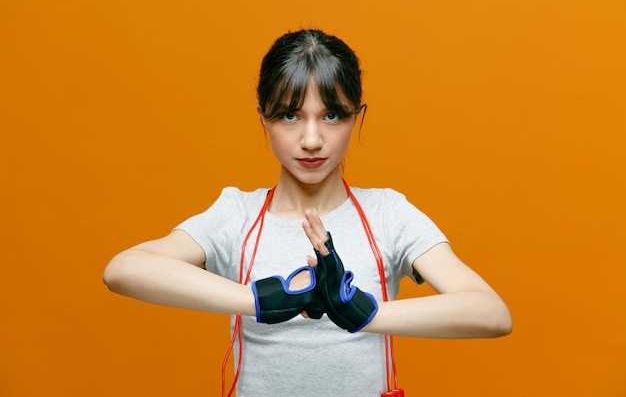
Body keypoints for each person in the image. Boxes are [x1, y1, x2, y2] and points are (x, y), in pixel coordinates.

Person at [103, 29, 512, 397]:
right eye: (289, 115)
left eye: (332, 115)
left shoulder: (388, 214)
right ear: (263, 117)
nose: (312, 139)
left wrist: (362, 311)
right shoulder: (237, 216)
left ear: (358, 117)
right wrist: (258, 300)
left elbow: (491, 313)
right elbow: (123, 269)